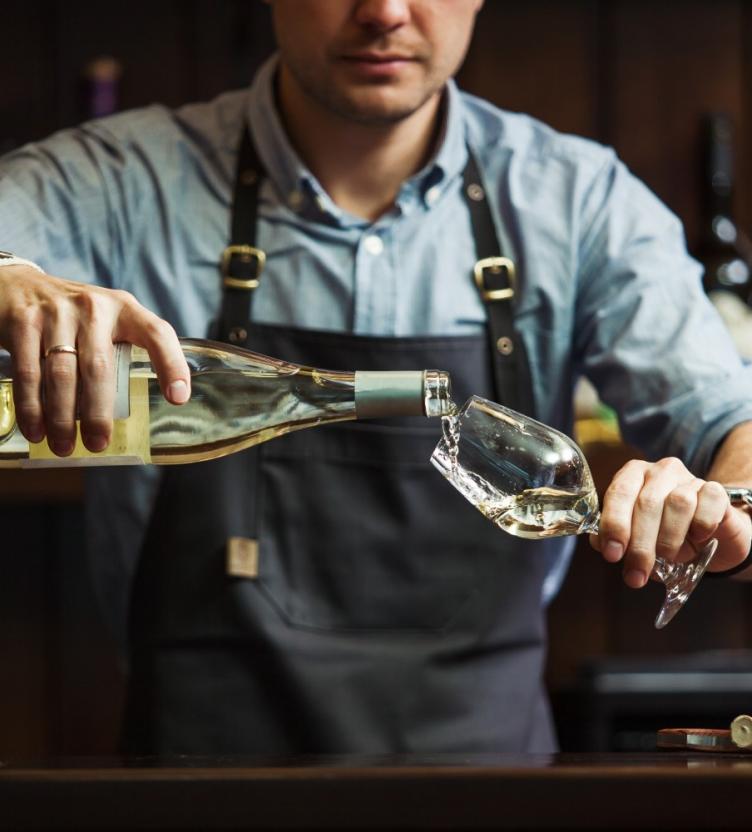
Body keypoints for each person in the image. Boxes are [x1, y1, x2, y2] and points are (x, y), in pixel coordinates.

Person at [1, 0, 751, 754]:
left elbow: (732, 418)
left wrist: (720, 514)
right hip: (202, 784)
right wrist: (10, 279)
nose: (385, 11)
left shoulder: (578, 200)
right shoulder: (122, 178)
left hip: (490, 788)